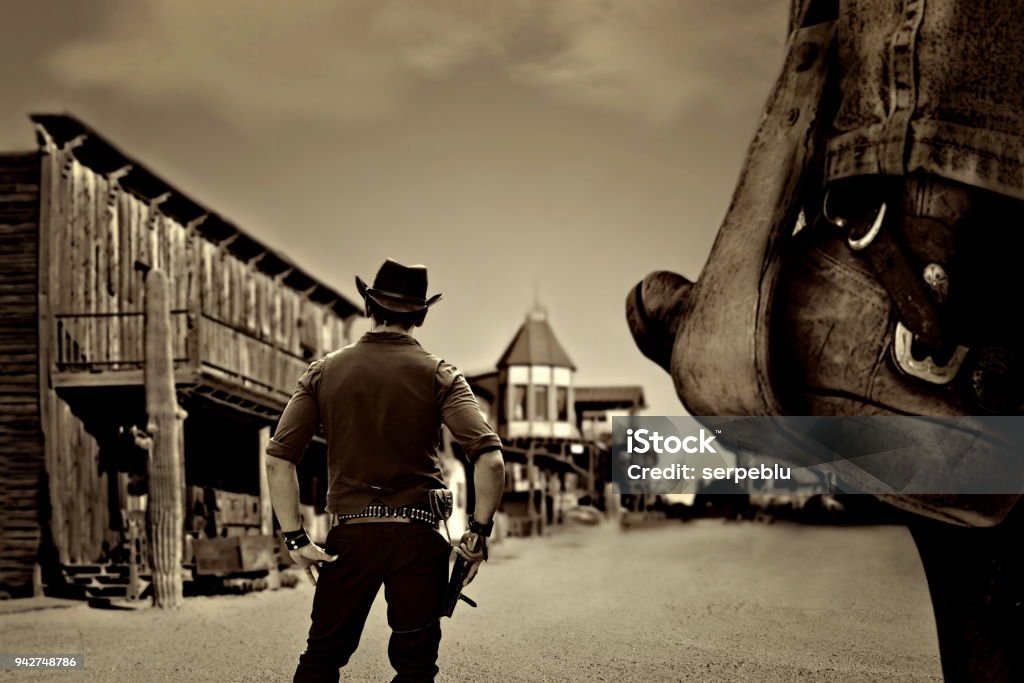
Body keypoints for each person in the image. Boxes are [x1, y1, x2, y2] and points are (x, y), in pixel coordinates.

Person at [265, 258, 506, 683]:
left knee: (321, 658)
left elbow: (278, 457)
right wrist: (478, 534)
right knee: (415, 666)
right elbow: (489, 458)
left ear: (368, 307)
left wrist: (296, 537)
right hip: (417, 536)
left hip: (350, 537)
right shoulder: (440, 374)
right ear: (421, 314)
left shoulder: (323, 372)